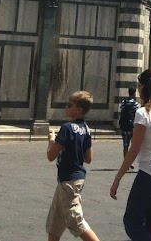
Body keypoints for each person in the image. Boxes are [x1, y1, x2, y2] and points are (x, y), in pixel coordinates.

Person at [110, 70, 151, 240]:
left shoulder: (143, 113)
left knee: (132, 222)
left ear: (143, 87)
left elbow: (134, 150)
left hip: (149, 174)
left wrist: (118, 178)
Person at [46, 90, 101, 241]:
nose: (66, 107)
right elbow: (88, 158)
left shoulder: (67, 128)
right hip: (75, 178)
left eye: (69, 105)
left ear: (79, 110)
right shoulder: (86, 129)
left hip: (68, 180)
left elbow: (51, 156)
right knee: (55, 224)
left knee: (76, 222)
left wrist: (51, 140)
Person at [119, 86, 139, 167]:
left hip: (124, 126)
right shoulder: (136, 104)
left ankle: (126, 163)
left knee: (125, 145)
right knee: (133, 146)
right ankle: (130, 162)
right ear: (134, 93)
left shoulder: (123, 102)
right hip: (132, 128)